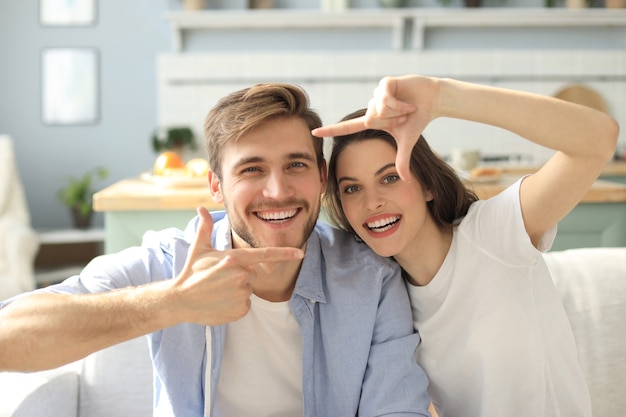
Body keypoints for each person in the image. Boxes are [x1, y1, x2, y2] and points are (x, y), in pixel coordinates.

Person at [0, 83, 432, 417]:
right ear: (216, 186)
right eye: (252, 169)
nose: (278, 191)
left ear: (322, 176)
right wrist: (173, 302)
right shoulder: (171, 264)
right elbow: (8, 340)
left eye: (295, 165)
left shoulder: (371, 277)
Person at [314, 75, 618, 417]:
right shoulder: (382, 293)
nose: (373, 202)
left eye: (390, 178)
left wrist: (443, 97)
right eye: (352, 188)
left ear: (428, 185)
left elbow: (598, 138)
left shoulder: (494, 233)